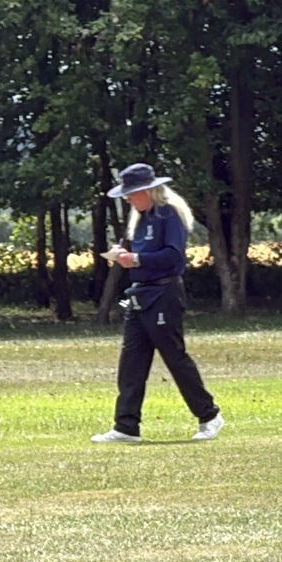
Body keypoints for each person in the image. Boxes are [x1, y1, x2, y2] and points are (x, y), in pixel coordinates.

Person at [91, 163, 225, 443]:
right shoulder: (140, 219)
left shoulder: (169, 215)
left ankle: (209, 416)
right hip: (140, 294)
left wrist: (137, 260)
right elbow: (139, 252)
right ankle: (126, 426)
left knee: (175, 357)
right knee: (131, 362)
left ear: (149, 191)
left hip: (164, 295)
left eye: (132, 193)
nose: (128, 199)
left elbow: (174, 257)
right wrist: (123, 254)